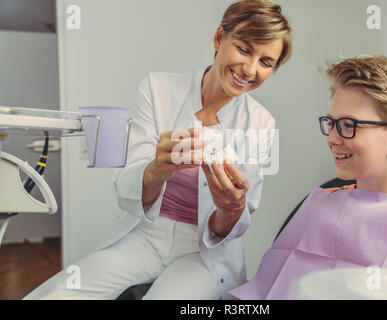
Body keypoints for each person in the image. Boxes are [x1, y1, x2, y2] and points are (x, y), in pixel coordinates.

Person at [24, 0, 292, 300]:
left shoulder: (261, 123)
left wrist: (231, 208)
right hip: (145, 236)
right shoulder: (158, 88)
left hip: (202, 255)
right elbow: (126, 187)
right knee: (59, 293)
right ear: (219, 38)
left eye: (266, 62)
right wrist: (156, 169)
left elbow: (231, 226)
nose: (250, 69)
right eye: (243, 49)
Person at [229, 55, 387, 299]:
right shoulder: (319, 203)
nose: (331, 138)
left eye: (349, 125)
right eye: (331, 123)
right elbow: (264, 290)